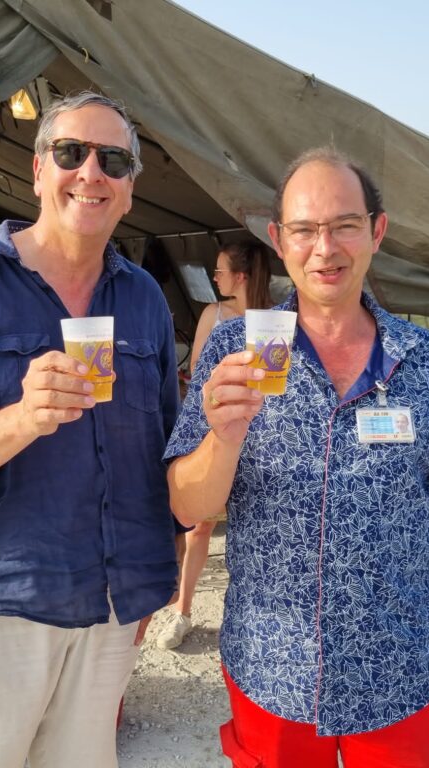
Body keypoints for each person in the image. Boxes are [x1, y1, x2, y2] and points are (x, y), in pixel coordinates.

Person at [165, 147, 429, 767]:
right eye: (304, 229)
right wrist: (222, 436)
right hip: (274, 671)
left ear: (376, 232)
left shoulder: (425, 360)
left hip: (400, 673)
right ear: (279, 239)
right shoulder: (235, 349)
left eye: (344, 225)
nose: (324, 248)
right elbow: (190, 505)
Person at [0, 91, 180, 768]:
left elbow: (158, 448)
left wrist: (149, 583)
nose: (92, 172)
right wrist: (19, 420)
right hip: (0, 602)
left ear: (131, 189)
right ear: (39, 169)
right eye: (71, 153)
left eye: (114, 160)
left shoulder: (141, 298)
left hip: (110, 603)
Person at [156, 240, 272, 650]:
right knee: (199, 524)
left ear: (241, 276)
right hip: (218, 427)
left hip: (265, 436)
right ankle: (183, 610)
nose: (215, 278)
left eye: (221, 272)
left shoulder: (277, 321)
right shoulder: (215, 314)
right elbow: (203, 375)